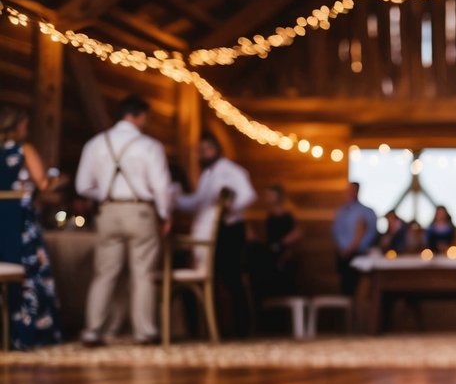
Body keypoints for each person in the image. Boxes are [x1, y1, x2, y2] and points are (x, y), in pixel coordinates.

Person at [75, 94, 174, 347]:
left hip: (108, 213)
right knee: (143, 273)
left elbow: (82, 186)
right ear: (139, 115)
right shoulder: (149, 146)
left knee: (104, 273)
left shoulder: (95, 144)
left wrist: (107, 196)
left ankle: (93, 331)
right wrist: (165, 214)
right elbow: (161, 186)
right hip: (140, 212)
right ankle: (144, 331)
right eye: (145, 118)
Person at [174, 133, 257, 338]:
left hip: (229, 229)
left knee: (232, 278)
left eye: (205, 150)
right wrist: (175, 197)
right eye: (199, 152)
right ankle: (214, 329)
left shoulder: (229, 170)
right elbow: (197, 203)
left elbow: (248, 194)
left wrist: (229, 208)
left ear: (215, 149)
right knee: (218, 279)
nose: (202, 155)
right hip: (214, 232)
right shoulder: (207, 175)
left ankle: (242, 330)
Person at [0, 105, 60, 350]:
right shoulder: (24, 149)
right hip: (19, 220)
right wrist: (56, 178)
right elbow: (43, 184)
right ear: (16, 125)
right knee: (29, 274)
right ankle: (28, 333)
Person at [332, 181, 377, 296]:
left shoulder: (367, 212)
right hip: (342, 254)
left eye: (352, 190)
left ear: (357, 191)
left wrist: (353, 247)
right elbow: (336, 231)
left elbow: (370, 233)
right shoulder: (341, 212)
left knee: (360, 288)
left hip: (360, 254)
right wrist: (343, 248)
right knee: (345, 288)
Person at [259, 184, 302, 298]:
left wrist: (281, 244)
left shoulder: (287, 213)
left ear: (277, 196)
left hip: (284, 255)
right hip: (272, 255)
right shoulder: (270, 214)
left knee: (285, 289)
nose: (266, 197)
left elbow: (297, 233)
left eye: (269, 194)